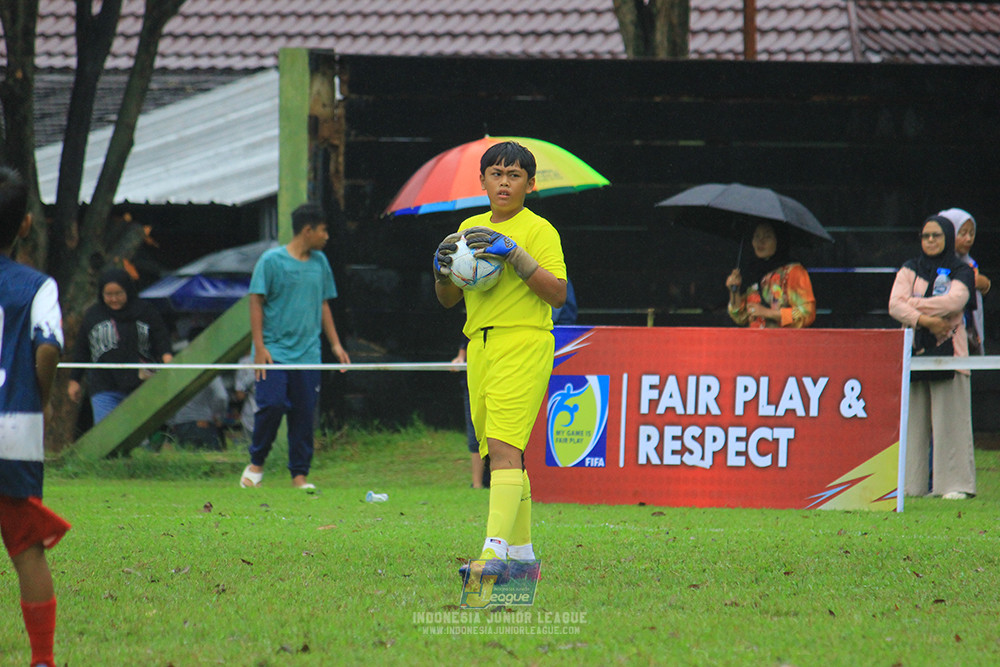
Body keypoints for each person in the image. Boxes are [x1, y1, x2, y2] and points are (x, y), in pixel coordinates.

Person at [434, 141, 567, 583]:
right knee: (499, 454)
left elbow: (558, 294)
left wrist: (514, 254)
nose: (504, 182)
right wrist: (442, 272)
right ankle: (525, 563)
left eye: (514, 176)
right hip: (480, 346)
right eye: (496, 173)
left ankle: (492, 554)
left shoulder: (540, 230)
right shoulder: (468, 226)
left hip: (524, 341)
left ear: (530, 185)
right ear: (483, 180)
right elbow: (449, 298)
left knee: (506, 450)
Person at [0, 165, 70, 667]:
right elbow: (47, 349)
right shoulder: (38, 286)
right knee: (27, 548)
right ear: (25, 225)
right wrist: (39, 397)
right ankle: (42, 660)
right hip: (15, 426)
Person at [239, 203, 351, 490]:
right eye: (324, 230)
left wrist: (336, 345)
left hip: (308, 355)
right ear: (308, 230)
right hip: (273, 353)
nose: (327, 236)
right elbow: (255, 301)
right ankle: (256, 465)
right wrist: (259, 347)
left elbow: (324, 304)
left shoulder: (320, 263)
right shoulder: (271, 261)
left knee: (303, 414)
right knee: (272, 405)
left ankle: (299, 476)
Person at [888, 214, 977, 499]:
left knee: (950, 421)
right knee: (913, 422)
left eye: (936, 236)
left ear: (947, 239)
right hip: (914, 352)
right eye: (925, 236)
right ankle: (911, 485)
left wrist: (912, 306)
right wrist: (925, 320)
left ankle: (955, 485)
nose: (930, 241)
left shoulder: (960, 270)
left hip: (951, 355)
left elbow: (956, 300)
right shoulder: (909, 269)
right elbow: (894, 305)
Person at [67, 268, 174, 423]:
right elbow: (82, 350)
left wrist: (167, 360)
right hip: (103, 385)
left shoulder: (145, 311)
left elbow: (161, 338)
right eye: (108, 295)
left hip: (141, 383)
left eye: (118, 294)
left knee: (139, 432)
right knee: (106, 433)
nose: (114, 299)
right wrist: (74, 380)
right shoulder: (93, 315)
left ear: (128, 291)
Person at [725, 222, 816, 328]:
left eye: (767, 236)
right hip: (756, 342)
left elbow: (806, 314)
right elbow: (740, 317)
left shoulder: (793, 271)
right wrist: (734, 291)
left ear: (779, 240)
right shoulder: (754, 271)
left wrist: (768, 313)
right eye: (757, 236)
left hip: (783, 342)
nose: (760, 241)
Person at [938, 208, 991, 355]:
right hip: (945, 337)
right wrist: (969, 282)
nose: (968, 239)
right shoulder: (936, 262)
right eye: (962, 233)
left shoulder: (971, 264)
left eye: (972, 233)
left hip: (969, 335)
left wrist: (985, 287)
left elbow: (976, 302)